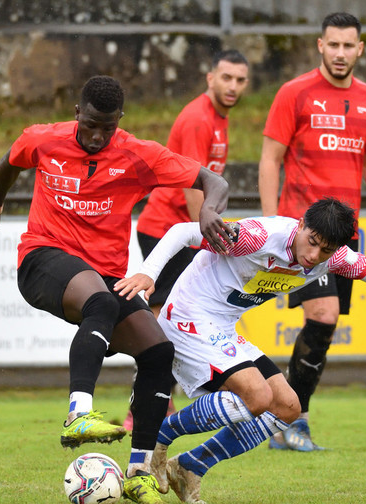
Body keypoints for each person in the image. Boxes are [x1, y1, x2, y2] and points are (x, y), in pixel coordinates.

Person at [0, 75, 234, 504]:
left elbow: (213, 182)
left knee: (159, 350)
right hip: (42, 259)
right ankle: (77, 414)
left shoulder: (138, 155)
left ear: (118, 122)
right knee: (102, 300)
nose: (95, 136)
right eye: (89, 124)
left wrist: (208, 214)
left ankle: (140, 471)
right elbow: (9, 163)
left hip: (104, 273)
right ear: (76, 114)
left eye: (106, 128)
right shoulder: (43, 140)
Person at [114, 197, 366, 504]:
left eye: (325, 251)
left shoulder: (335, 260)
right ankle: (161, 435)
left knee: (287, 407)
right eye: (311, 242)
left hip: (222, 327)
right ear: (300, 225)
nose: (313, 256)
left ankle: (190, 467)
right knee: (256, 395)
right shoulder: (257, 237)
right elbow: (182, 232)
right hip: (188, 316)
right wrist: (148, 274)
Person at [258, 11, 366, 451]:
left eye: (349, 46)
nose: (341, 53)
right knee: (322, 315)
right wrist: (271, 223)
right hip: (304, 232)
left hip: (344, 233)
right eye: (334, 45)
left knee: (326, 326)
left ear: (360, 49)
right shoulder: (295, 93)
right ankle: (289, 420)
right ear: (320, 46)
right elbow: (270, 158)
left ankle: (290, 418)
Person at [121, 50, 250, 430]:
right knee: (165, 328)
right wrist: (212, 242)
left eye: (240, 80)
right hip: (169, 230)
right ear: (210, 77)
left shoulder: (217, 118)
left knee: (173, 326)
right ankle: (143, 409)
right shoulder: (197, 118)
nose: (233, 86)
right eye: (226, 77)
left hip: (182, 230)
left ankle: (154, 406)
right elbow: (196, 191)